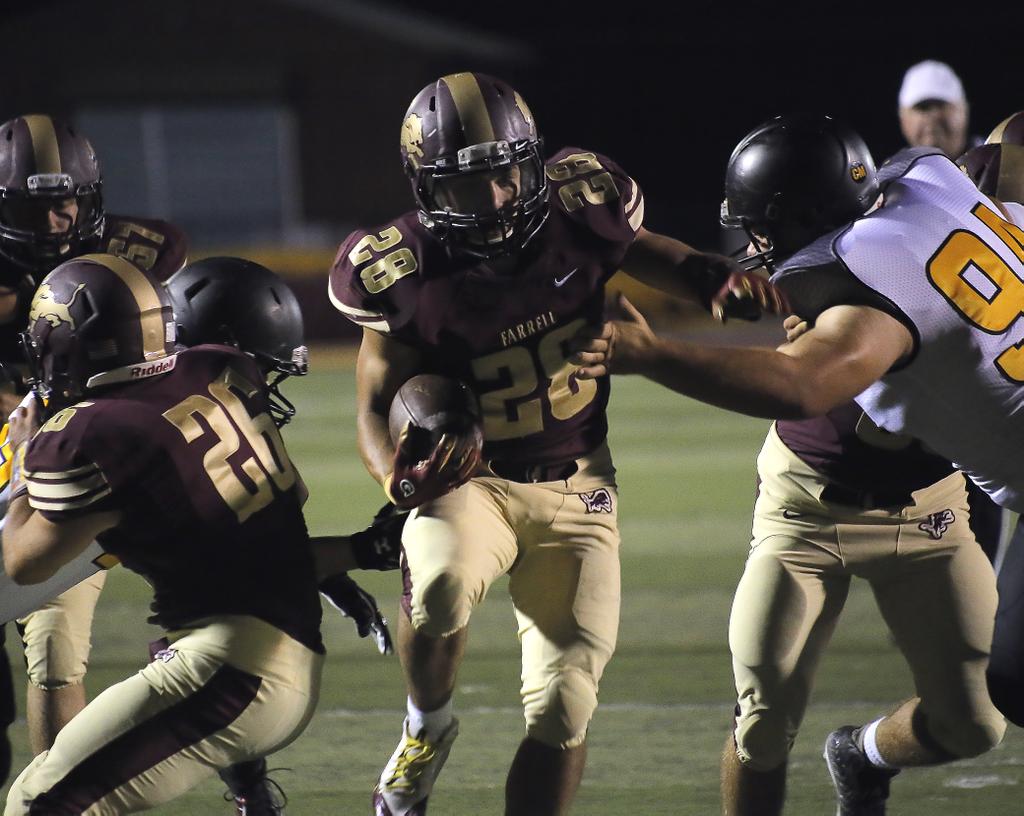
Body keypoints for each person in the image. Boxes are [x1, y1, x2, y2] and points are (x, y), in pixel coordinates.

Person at [328, 71, 784, 816]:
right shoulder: (403, 270)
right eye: (469, 184)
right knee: (440, 584)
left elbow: (647, 250)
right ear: (427, 187)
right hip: (472, 479)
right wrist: (396, 479)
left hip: (579, 482)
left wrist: (711, 278)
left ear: (532, 162)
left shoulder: (581, 206)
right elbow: (374, 405)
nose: (496, 198)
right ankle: (425, 725)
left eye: (507, 174)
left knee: (565, 707)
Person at [570, 113, 1019, 814]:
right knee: (763, 721)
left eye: (762, 228)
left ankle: (861, 755)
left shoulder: (857, 290)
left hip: (928, 512)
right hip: (807, 508)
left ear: (802, 216)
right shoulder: (934, 182)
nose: (755, 246)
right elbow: (1011, 139)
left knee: (978, 719)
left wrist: (652, 355)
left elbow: (802, 384)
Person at [2, 253, 402, 814]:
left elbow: (23, 563)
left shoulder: (90, 431)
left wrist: (24, 457)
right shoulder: (221, 367)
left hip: (227, 670)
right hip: (278, 662)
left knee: (36, 803)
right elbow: (266, 522)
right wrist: (353, 553)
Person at [164, 255, 403, 813]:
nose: (265, 386)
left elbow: (255, 547)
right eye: (259, 369)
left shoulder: (202, 416)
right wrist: (360, 551)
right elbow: (230, 578)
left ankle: (252, 797)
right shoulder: (158, 432)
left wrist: (330, 571)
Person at [0, 112, 188, 770]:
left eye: (66, 203)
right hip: (18, 449)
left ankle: (57, 802)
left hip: (74, 462)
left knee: (57, 648)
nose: (55, 221)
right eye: (33, 207)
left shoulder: (137, 253)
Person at [897, 60, 978, 158]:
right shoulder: (892, 167)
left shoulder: (994, 160)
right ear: (903, 117)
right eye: (923, 107)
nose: (933, 116)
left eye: (941, 106)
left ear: (964, 111)